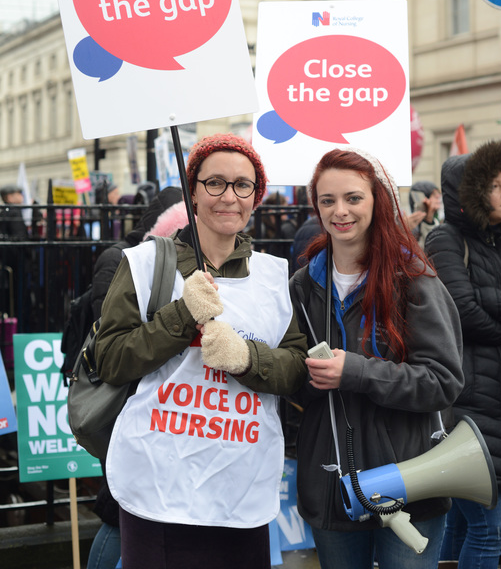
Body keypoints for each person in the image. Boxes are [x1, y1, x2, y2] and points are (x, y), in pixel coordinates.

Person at [94, 133, 308, 569]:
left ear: (256, 196)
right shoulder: (145, 264)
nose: (229, 197)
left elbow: (296, 370)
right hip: (158, 484)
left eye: (242, 185)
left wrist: (248, 358)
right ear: (193, 191)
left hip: (239, 487)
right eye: (215, 183)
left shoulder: (273, 277)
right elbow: (111, 359)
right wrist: (180, 316)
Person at [289, 148, 464, 569]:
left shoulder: (413, 278)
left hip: (410, 478)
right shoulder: (301, 284)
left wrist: (356, 371)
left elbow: (443, 380)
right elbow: (290, 379)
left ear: (376, 201)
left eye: (353, 198)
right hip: (333, 485)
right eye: (327, 201)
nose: (340, 211)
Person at [425, 139, 501, 569]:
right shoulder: (444, 238)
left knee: (465, 524)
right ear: (470, 192)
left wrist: (492, 299)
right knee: (492, 529)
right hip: (465, 403)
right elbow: (462, 313)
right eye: (495, 185)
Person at [87, 186, 184, 569]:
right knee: (122, 509)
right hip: (128, 404)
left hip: (174, 411)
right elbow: (111, 342)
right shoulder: (122, 259)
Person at [407, 180, 442, 247]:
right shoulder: (411, 227)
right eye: (434, 194)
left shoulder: (435, 221)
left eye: (438, 194)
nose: (438, 197)